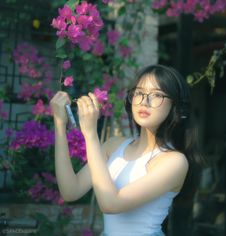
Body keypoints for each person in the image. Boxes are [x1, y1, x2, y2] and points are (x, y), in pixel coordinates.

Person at [50, 64, 201, 236]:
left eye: (157, 94)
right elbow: (71, 191)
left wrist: (91, 134)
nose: (145, 101)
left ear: (175, 106)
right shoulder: (114, 146)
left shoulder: (174, 161)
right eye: (139, 93)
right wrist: (60, 125)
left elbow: (111, 204)